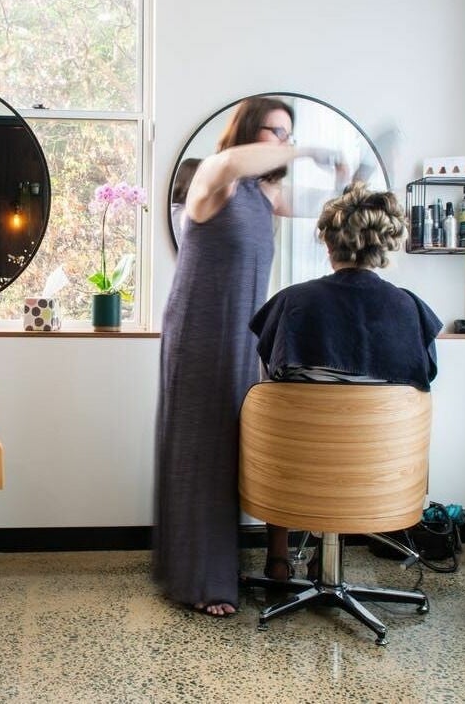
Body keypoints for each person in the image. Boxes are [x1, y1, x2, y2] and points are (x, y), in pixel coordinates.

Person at [154, 96, 344, 617]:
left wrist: (342, 175)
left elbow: (322, 207)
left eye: (289, 133)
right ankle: (202, 581)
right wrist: (308, 148)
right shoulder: (213, 177)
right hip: (198, 328)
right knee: (203, 450)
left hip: (243, 333)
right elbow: (234, 161)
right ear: (246, 129)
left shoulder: (265, 195)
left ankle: (227, 563)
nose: (284, 143)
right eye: (276, 132)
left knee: (238, 448)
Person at [248, 182, 443, 576]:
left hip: (292, 474)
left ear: (328, 243)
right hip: (379, 478)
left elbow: (268, 387)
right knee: (354, 431)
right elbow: (422, 385)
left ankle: (279, 556)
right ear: (385, 246)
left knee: (280, 413)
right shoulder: (411, 309)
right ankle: (327, 556)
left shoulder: (292, 303)